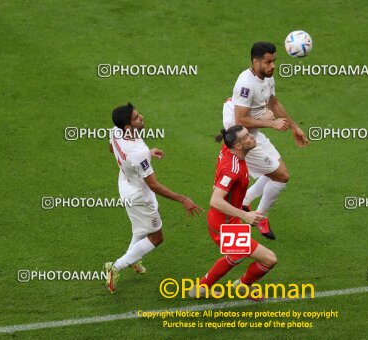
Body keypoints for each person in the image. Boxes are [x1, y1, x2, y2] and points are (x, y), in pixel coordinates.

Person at [104, 102, 203, 293]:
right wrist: (183, 199)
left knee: (140, 228)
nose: (141, 117)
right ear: (127, 127)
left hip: (126, 186)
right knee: (156, 237)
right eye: (136, 117)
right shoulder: (137, 154)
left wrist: (146, 155)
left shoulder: (116, 132)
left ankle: (133, 259)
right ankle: (116, 267)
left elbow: (112, 150)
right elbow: (154, 185)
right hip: (140, 196)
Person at [222, 41, 309, 240]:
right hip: (243, 139)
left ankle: (244, 201)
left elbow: (273, 103)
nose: (273, 66)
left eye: (274, 61)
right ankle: (259, 217)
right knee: (282, 176)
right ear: (255, 61)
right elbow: (240, 120)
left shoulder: (267, 78)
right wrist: (271, 123)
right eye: (268, 62)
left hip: (255, 133)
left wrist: (294, 127)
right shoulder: (246, 83)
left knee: (278, 172)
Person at [189, 126, 277, 301]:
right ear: (237, 146)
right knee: (269, 259)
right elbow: (215, 200)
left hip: (227, 220)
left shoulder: (229, 148)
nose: (251, 137)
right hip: (225, 224)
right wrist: (245, 215)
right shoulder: (233, 170)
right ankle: (240, 286)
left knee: (237, 254)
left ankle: (203, 288)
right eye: (246, 137)